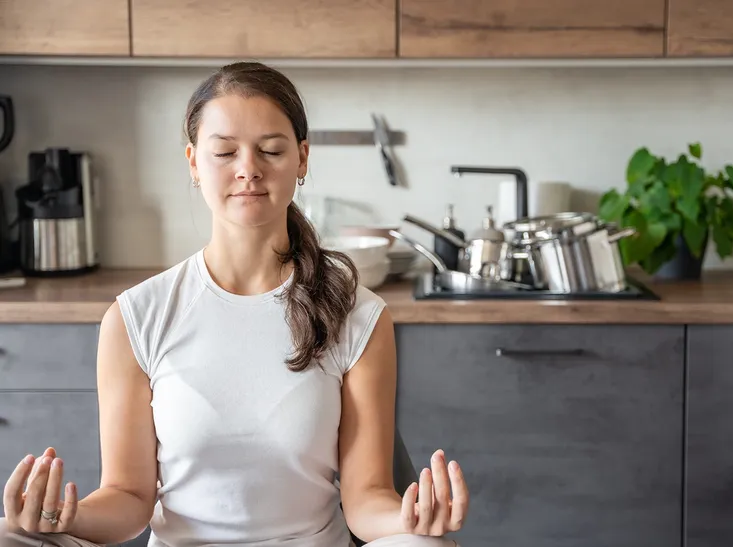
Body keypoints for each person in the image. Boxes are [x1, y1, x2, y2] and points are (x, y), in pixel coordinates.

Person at [1, 61, 469, 547]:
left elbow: (367, 497)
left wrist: (411, 521)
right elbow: (127, 497)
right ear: (193, 163)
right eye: (225, 151)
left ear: (302, 159)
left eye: (271, 150)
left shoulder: (358, 314)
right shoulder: (135, 317)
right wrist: (56, 519)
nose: (249, 168)